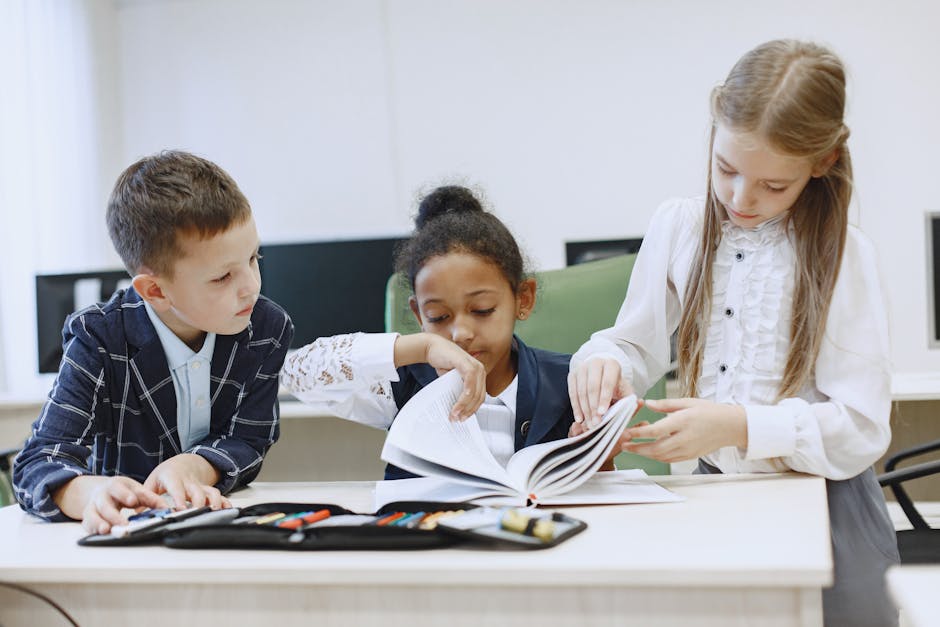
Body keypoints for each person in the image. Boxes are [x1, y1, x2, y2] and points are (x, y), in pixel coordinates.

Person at [568, 40, 899, 626]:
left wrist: (740, 425)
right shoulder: (679, 227)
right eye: (726, 169)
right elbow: (632, 343)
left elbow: (862, 428)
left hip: (828, 510)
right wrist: (603, 364)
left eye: (774, 185)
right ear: (714, 127)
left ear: (820, 163)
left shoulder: (843, 254)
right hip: (715, 499)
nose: (742, 199)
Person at [13, 151, 294, 535]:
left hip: (213, 529)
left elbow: (249, 437)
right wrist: (90, 493)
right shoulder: (98, 337)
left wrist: (192, 466)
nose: (250, 286)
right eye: (222, 277)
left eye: (253, 257)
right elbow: (37, 462)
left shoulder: (266, 327)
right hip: (121, 539)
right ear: (156, 290)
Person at [281, 185, 575, 479]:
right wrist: (419, 348)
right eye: (438, 316)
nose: (460, 333)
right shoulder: (404, 382)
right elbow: (296, 373)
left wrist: (600, 458)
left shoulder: (569, 381)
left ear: (523, 299)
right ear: (419, 314)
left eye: (482, 310)